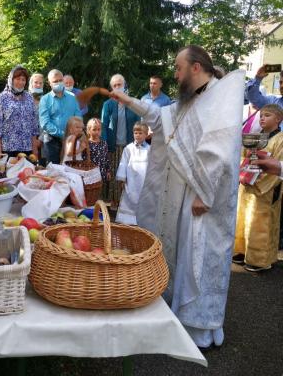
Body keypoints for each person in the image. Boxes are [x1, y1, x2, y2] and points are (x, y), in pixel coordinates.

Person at [111, 45, 245, 350]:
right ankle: (179, 317)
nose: (175, 73)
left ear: (196, 67)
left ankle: (200, 327)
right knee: (182, 252)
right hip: (182, 193)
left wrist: (205, 193)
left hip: (202, 196)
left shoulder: (220, 97)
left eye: (178, 67)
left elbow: (220, 149)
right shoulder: (188, 101)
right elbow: (160, 119)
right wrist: (128, 100)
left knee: (197, 255)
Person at [234, 104, 283, 271]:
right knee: (243, 218)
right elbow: (242, 156)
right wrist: (243, 173)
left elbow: (277, 166)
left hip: (265, 189)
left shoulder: (281, 139)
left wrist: (258, 180)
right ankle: (241, 251)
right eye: (261, 115)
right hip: (247, 185)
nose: (262, 118)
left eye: (267, 115)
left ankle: (259, 259)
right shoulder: (254, 137)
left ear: (278, 119)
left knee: (260, 223)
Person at [101, 74, 140, 209]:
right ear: (111, 88)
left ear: (125, 86)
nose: (118, 87)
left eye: (120, 85)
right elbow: (104, 126)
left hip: (130, 145)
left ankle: (127, 203)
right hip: (114, 146)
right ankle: (114, 203)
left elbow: (138, 123)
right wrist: (105, 145)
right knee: (114, 175)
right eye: (115, 85)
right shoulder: (108, 105)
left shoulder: (132, 102)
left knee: (129, 174)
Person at [0, 65, 39, 158]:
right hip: (8, 149)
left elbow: (33, 124)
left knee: (28, 172)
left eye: (23, 79)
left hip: (27, 148)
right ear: (11, 80)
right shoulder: (1, 98)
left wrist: (35, 149)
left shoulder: (29, 97)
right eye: (17, 79)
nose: (21, 82)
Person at [39, 69, 82, 164]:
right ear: (49, 83)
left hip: (71, 139)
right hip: (51, 141)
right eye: (55, 81)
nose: (58, 83)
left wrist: (75, 133)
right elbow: (45, 123)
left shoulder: (72, 97)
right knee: (54, 170)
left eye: (60, 80)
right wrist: (63, 134)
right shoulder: (45, 100)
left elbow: (78, 116)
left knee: (70, 169)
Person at [115, 122, 150, 225]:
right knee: (128, 198)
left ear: (146, 134)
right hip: (131, 180)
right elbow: (123, 163)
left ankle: (142, 220)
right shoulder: (128, 148)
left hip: (144, 180)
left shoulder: (149, 149)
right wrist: (122, 178)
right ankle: (127, 221)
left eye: (140, 133)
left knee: (142, 199)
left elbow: (152, 166)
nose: (138, 135)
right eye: (135, 133)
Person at [86, 118, 111, 194]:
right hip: (91, 173)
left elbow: (106, 158)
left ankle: (99, 203)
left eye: (99, 129)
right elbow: (84, 159)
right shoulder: (87, 144)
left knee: (99, 192)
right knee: (90, 192)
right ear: (89, 131)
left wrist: (108, 171)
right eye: (94, 130)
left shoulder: (104, 143)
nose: (97, 132)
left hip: (101, 172)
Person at [28, 73, 45, 163]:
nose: (38, 85)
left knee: (41, 168)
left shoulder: (47, 100)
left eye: (40, 83)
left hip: (42, 139)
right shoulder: (24, 98)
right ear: (31, 83)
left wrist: (40, 140)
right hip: (27, 139)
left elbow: (48, 121)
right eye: (36, 82)